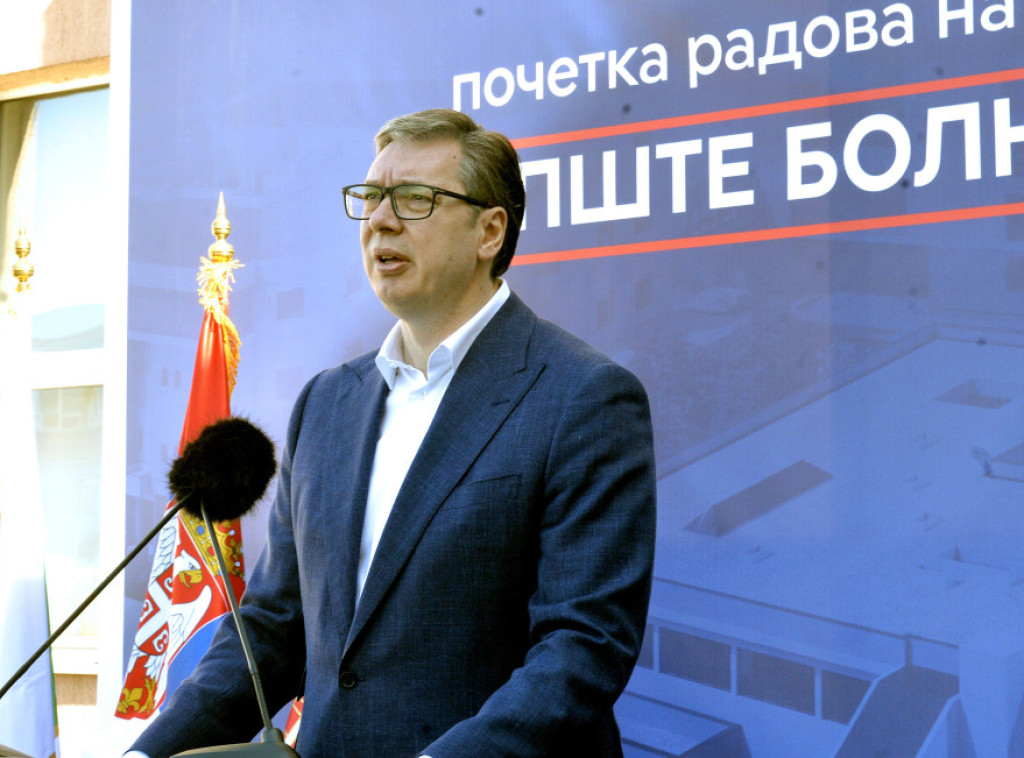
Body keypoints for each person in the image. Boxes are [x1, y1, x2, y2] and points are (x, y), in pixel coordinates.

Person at [128, 108, 656, 757]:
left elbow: (583, 647)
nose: (380, 219)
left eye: (413, 198)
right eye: (371, 197)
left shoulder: (583, 397)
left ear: (490, 231)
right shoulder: (325, 405)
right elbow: (270, 631)